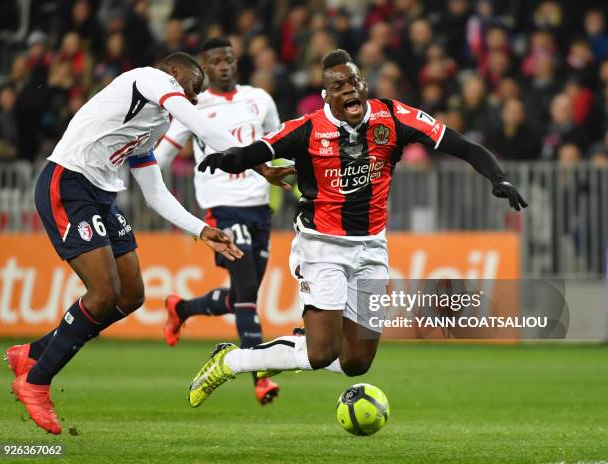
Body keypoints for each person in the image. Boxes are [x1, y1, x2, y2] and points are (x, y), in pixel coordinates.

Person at [186, 49, 528, 408]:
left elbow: (461, 145)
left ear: (363, 84)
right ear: (327, 97)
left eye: (353, 81)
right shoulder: (306, 128)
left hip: (372, 247)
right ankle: (231, 361)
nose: (348, 89)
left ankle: (306, 339)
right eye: (337, 85)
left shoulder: (393, 116)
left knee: (356, 362)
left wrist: (498, 178)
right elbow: (256, 150)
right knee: (320, 354)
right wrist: (226, 159)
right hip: (321, 246)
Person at [4, 52, 248, 434]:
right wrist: (250, 156)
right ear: (173, 73)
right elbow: (198, 122)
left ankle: (33, 353)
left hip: (100, 197)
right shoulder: (147, 79)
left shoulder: (150, 125)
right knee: (102, 294)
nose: (196, 97)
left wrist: (200, 229)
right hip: (67, 183)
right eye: (194, 86)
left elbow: (155, 192)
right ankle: (36, 381)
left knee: (131, 295)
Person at [154, 37, 291, 405]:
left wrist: (294, 185)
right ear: (205, 67)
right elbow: (162, 155)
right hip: (222, 208)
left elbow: (276, 147)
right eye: (216, 61)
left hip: (260, 208)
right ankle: (259, 374)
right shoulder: (194, 106)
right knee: (246, 289)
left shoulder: (260, 99)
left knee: (240, 297)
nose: (224, 66)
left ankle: (180, 309)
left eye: (229, 59)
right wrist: (140, 179)